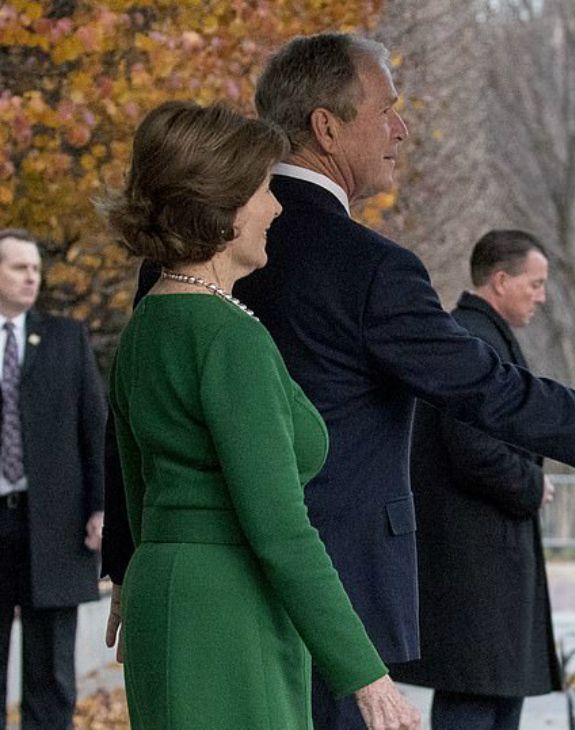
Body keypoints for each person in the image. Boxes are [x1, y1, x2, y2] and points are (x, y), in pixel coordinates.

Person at [100, 33, 575, 729]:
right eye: (387, 109)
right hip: (327, 595)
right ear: (327, 127)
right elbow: (493, 391)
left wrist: (131, 561)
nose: (402, 128)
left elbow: (134, 429)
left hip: (186, 591)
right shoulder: (366, 267)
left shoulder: (173, 266)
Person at [101, 101, 420, 729]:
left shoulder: (150, 321)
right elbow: (280, 530)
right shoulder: (228, 338)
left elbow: (137, 480)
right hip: (229, 607)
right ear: (220, 207)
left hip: (163, 592)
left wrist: (130, 580)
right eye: (262, 191)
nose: (275, 208)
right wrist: (366, 675)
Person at [389, 230, 561, 728]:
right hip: (476, 567)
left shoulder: (478, 335)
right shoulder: (470, 339)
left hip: (484, 564)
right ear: (501, 280)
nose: (542, 296)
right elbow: (471, 448)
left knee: (493, 700)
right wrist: (533, 485)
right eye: (535, 283)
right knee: (476, 702)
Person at [0, 229, 104, 729]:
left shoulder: (67, 339)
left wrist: (100, 506)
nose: (31, 276)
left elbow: (94, 427)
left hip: (54, 528)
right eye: (19, 267)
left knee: (51, 675)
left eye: (36, 268)